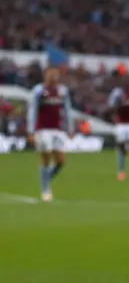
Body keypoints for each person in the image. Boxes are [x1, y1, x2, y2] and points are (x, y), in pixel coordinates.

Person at [26, 67, 74, 202]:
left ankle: (45, 180)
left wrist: (70, 127)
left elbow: (67, 110)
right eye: (50, 73)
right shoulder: (39, 90)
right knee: (46, 157)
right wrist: (31, 131)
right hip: (43, 129)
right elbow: (33, 110)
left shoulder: (62, 91)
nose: (53, 76)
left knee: (61, 161)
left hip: (58, 130)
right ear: (45, 75)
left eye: (55, 73)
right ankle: (45, 189)